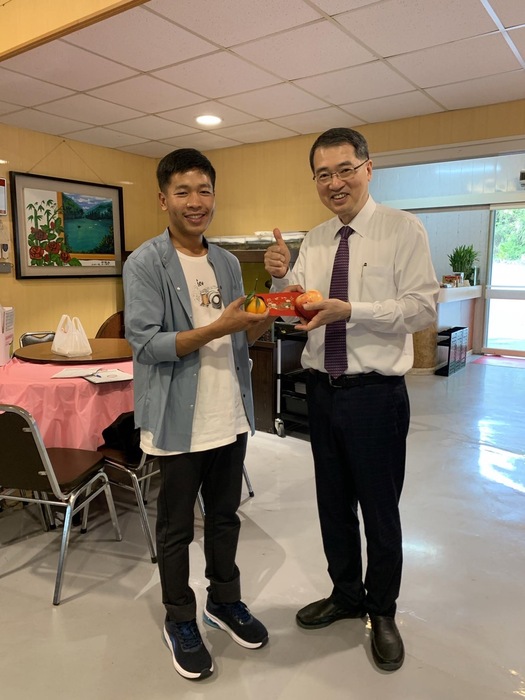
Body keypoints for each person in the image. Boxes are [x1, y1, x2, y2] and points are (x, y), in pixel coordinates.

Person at [264, 127, 439, 672]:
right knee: (333, 504)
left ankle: (381, 610)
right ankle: (345, 593)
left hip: (374, 395)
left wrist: (352, 310)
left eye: (344, 169)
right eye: (323, 174)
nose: (334, 183)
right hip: (322, 390)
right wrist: (281, 277)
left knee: (379, 509)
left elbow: (422, 309)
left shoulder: (402, 230)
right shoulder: (316, 239)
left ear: (368, 167)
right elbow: (301, 308)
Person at [124, 148, 272, 681]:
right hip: (176, 420)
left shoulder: (228, 263)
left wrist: (270, 305)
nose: (195, 202)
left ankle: (224, 602)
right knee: (175, 529)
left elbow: (243, 332)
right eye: (183, 191)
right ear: (163, 198)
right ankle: (179, 617)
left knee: (227, 517)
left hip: (228, 413)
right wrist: (216, 328)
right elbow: (145, 344)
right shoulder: (145, 263)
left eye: (204, 190)